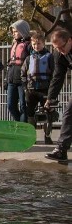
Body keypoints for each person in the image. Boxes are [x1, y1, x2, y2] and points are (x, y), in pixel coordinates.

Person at [21, 31, 55, 144]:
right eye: (34, 44)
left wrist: (52, 90)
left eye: (39, 43)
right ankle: (32, 137)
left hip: (45, 90)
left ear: (44, 43)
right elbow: (23, 75)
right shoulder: (28, 58)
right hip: (31, 90)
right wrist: (26, 88)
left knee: (48, 113)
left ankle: (47, 136)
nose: (36, 46)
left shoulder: (49, 57)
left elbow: (55, 74)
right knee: (30, 114)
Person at [44, 28, 72, 162]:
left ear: (69, 40)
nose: (60, 50)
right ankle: (61, 150)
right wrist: (50, 98)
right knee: (69, 112)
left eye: (62, 47)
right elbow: (58, 77)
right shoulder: (59, 54)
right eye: (56, 48)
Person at [5, 19, 31, 121]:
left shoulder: (29, 45)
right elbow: (10, 63)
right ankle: (19, 123)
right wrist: (6, 79)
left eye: (16, 31)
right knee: (10, 105)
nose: (14, 34)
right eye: (13, 32)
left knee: (24, 106)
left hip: (23, 80)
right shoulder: (14, 44)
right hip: (12, 79)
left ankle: (22, 127)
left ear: (23, 30)